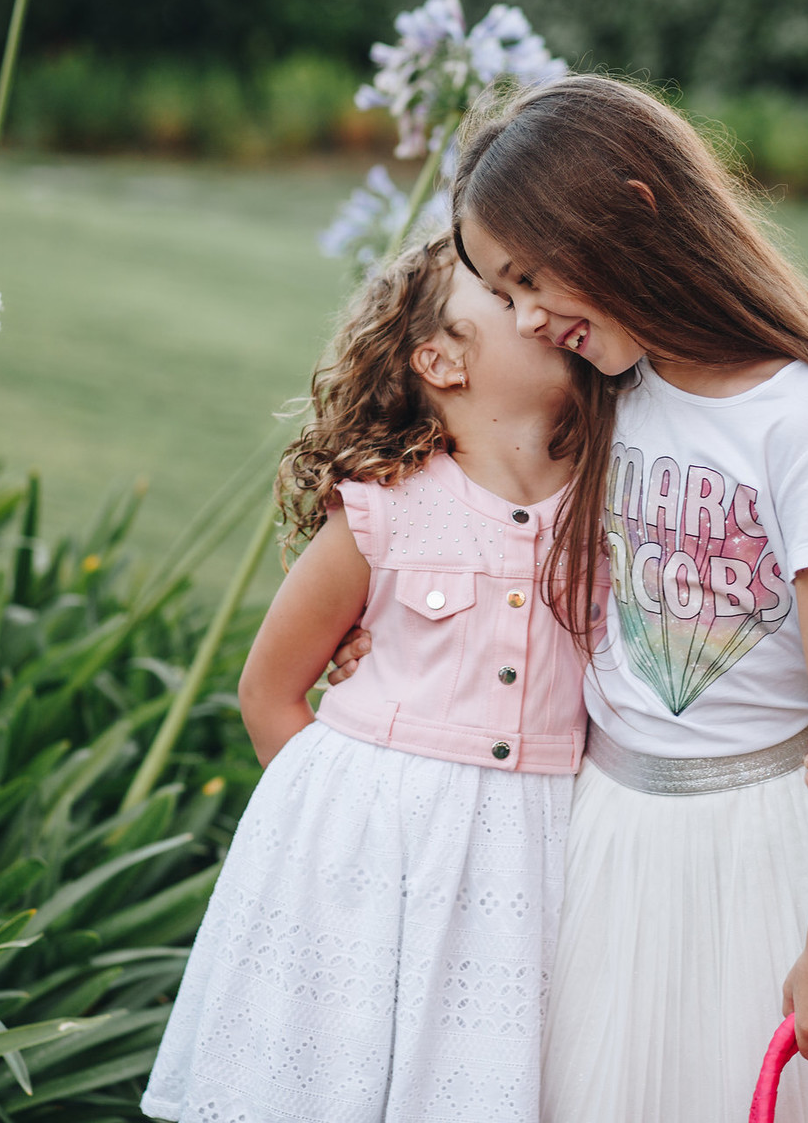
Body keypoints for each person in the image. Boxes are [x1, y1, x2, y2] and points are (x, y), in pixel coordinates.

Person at [451, 74, 808, 1122]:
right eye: (505, 295)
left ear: (632, 212)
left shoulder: (798, 422)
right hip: (616, 843)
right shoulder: (605, 396)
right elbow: (475, 515)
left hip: (772, 855)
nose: (531, 319)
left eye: (533, 277)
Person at [142, 233, 595, 1123]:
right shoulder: (380, 511)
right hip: (368, 861)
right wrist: (333, 841)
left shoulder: (611, 503)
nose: (538, 310)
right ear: (439, 361)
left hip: (539, 850)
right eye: (504, 300)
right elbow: (269, 690)